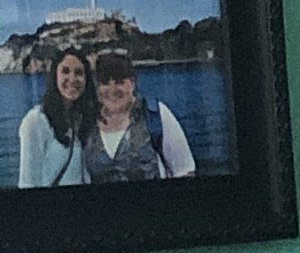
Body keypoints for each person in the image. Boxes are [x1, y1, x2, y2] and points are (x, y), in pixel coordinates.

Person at [77, 49, 193, 184]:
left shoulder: (155, 115)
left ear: (132, 83)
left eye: (119, 82)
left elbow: (185, 171)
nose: (112, 90)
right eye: (105, 83)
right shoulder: (88, 122)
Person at [15, 41, 96, 187]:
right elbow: (28, 183)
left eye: (79, 73)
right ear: (55, 76)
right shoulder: (36, 121)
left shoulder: (79, 118)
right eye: (65, 71)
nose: (72, 78)